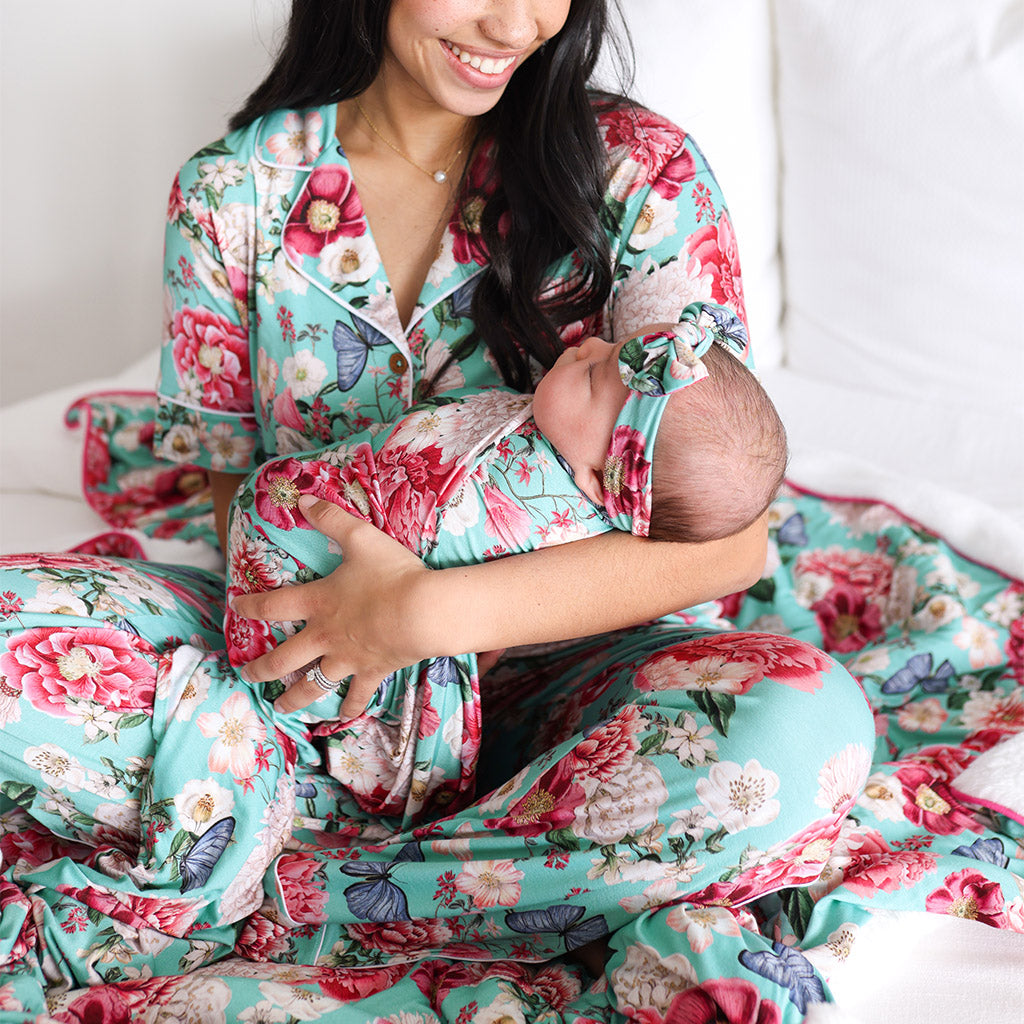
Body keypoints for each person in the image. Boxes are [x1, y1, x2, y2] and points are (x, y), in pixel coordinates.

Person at [0, 0, 874, 1014]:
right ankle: (336, 836)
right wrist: (327, 670)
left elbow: (727, 541)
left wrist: (428, 618)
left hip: (574, 678)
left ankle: (292, 889)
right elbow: (239, 496)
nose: (515, 21)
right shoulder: (230, 192)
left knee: (800, 734)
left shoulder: (638, 172)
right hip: (306, 676)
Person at [224, 311, 788, 829]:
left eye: (595, 375)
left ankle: (374, 872)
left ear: (597, 481)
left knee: (773, 737)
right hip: (298, 560)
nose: (586, 344)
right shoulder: (556, 429)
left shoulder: (534, 505)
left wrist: (431, 613)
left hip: (412, 645)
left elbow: (740, 543)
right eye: (608, 347)